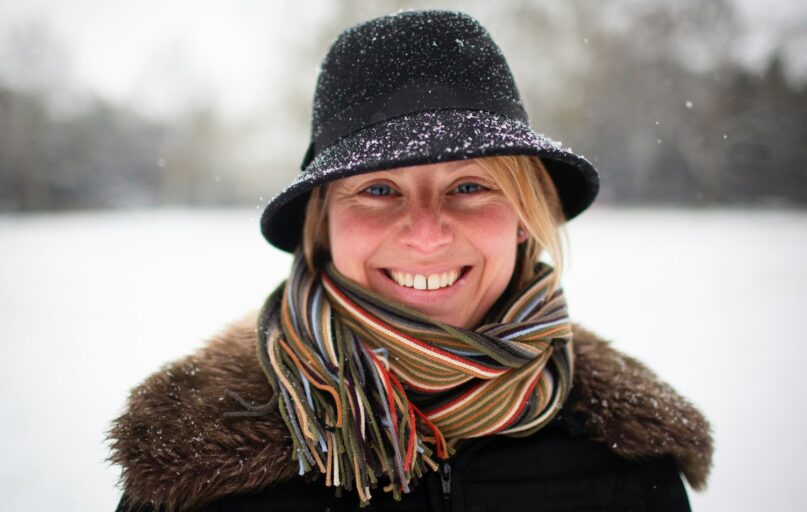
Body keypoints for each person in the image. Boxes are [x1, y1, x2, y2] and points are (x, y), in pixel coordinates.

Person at [109, 10, 712, 512]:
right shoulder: (191, 471)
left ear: (526, 217)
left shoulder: (629, 460)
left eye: (470, 186)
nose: (426, 233)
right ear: (321, 227)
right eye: (377, 189)